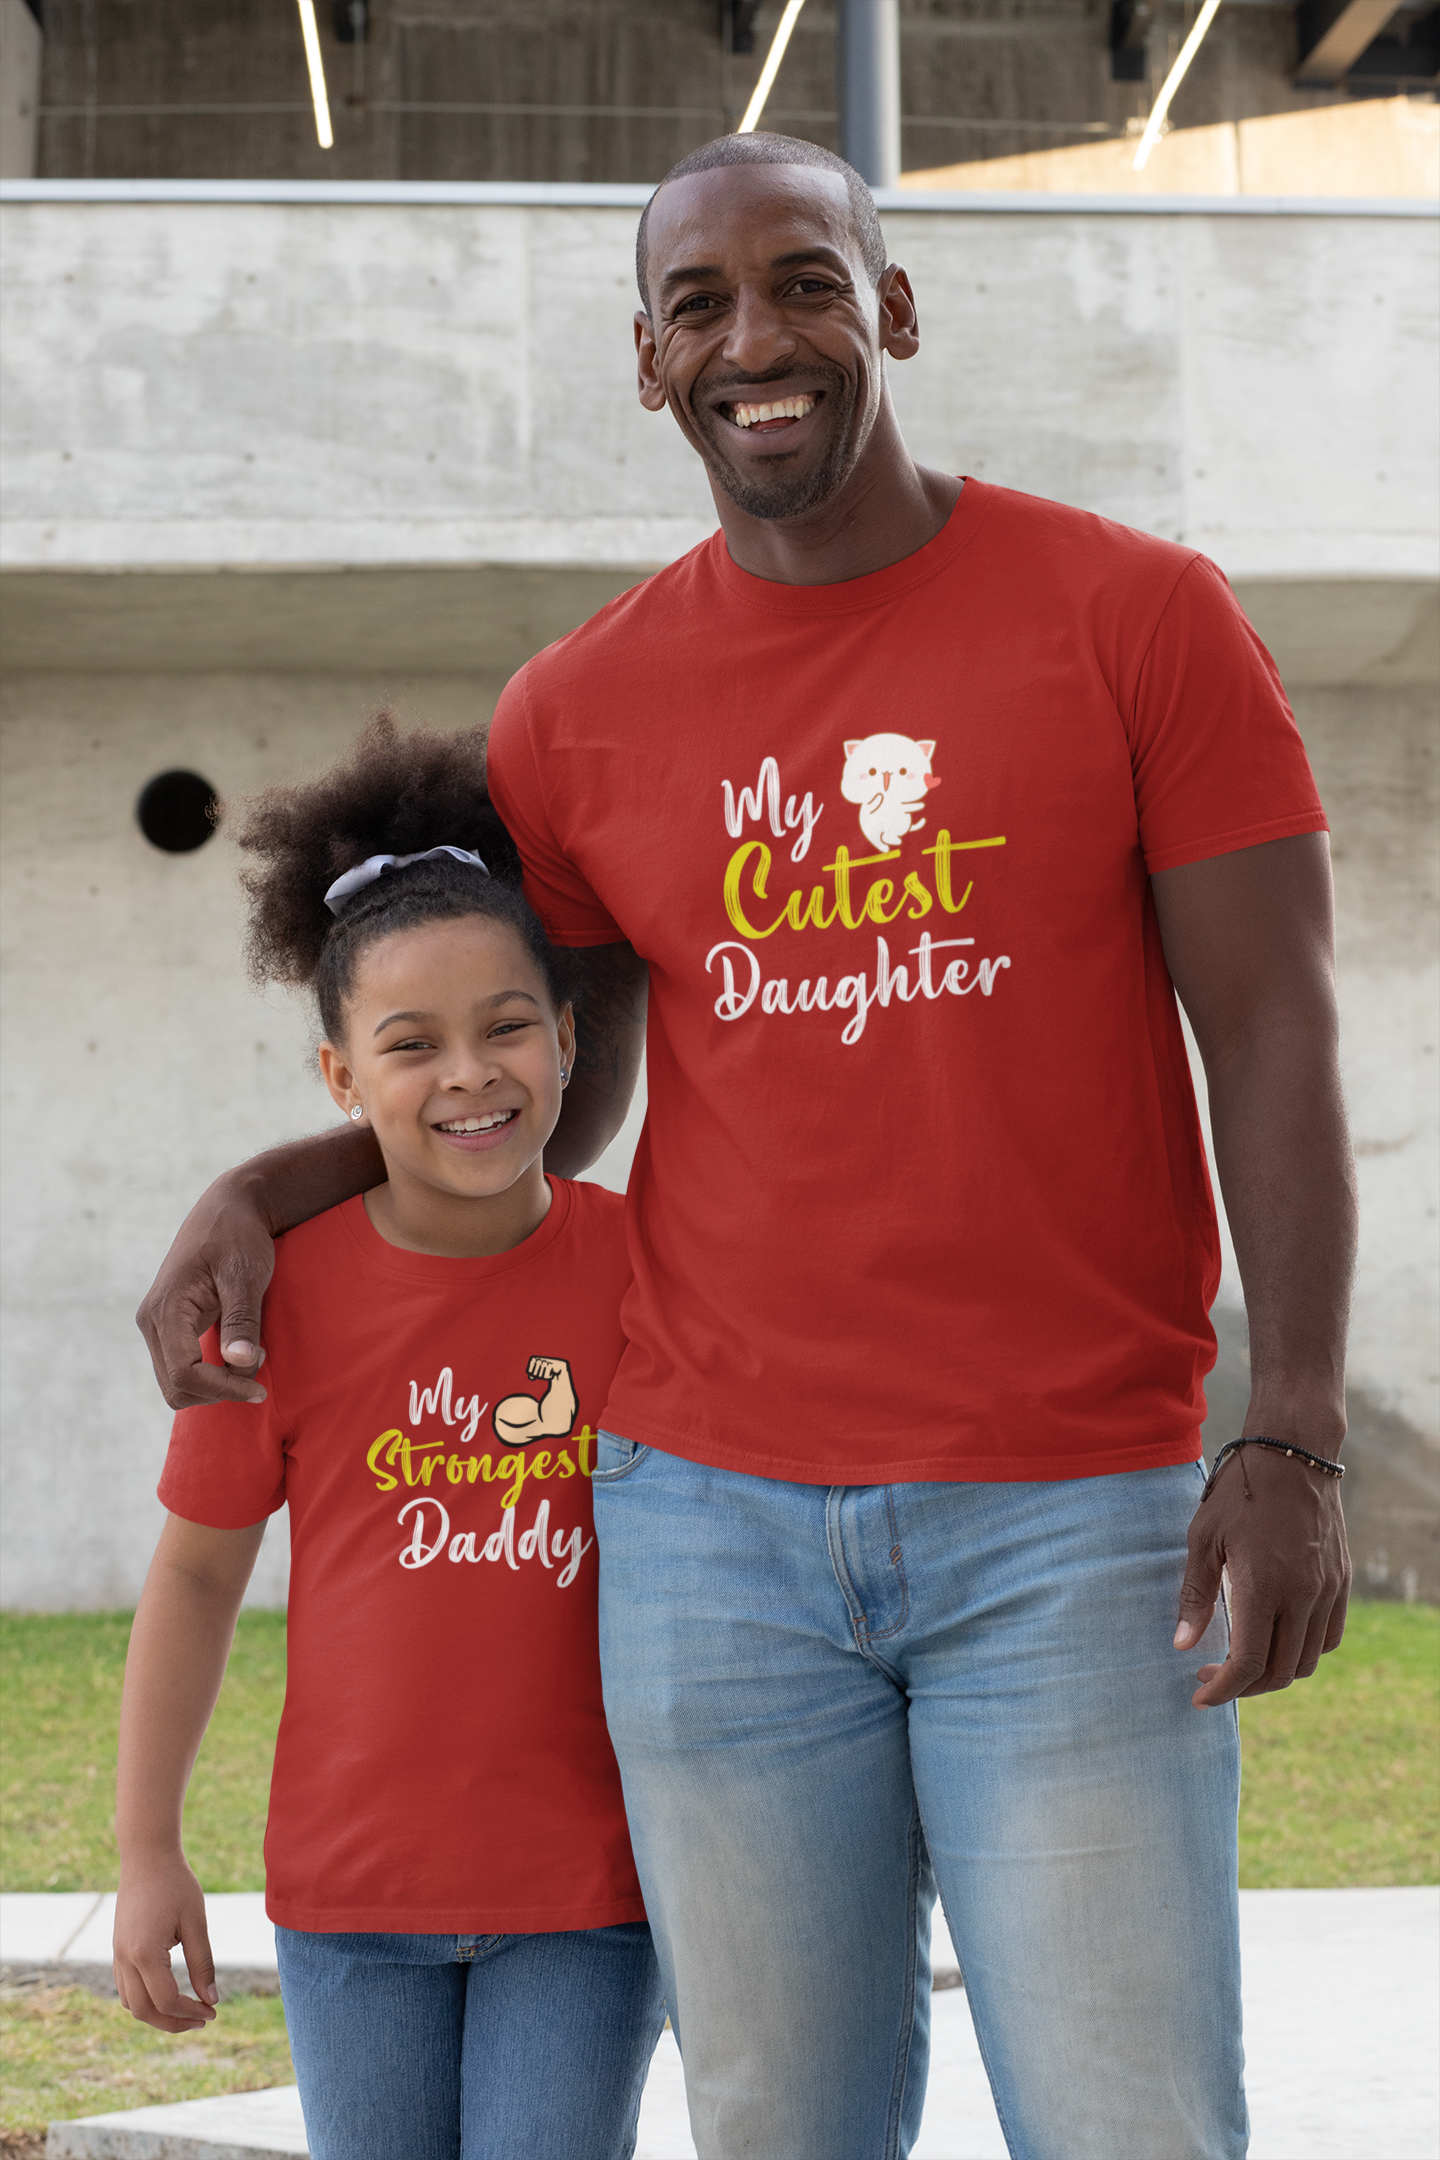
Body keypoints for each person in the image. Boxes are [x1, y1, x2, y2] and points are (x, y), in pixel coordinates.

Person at [137, 137, 1355, 2159]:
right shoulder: (575, 713)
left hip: (1067, 1512)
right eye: (699, 306)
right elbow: (545, 1099)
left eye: (805, 281)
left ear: (891, 305)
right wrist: (267, 1189)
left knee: (1128, 2118)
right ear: (646, 363)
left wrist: (1293, 1428)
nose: (756, 340)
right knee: (780, 2127)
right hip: (712, 1536)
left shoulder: (1138, 618)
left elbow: (1277, 1038)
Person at [114, 717, 666, 2160]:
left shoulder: (655, 1275)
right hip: (352, 1905)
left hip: (591, 1898)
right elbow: (191, 1580)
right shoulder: (277, 1292)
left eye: (505, 1028)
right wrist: (146, 1849)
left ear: (567, 1038)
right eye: (409, 1044)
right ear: (342, 1081)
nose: (469, 1076)